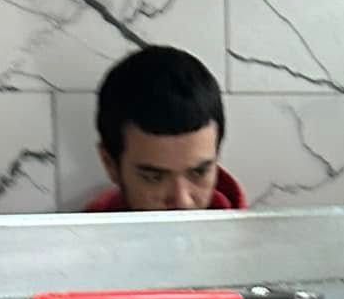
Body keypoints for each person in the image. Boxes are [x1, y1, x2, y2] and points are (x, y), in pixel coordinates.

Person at [86, 46, 247, 213]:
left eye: (199, 172)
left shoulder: (257, 237)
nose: (182, 201)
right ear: (110, 165)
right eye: (154, 178)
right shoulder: (78, 238)